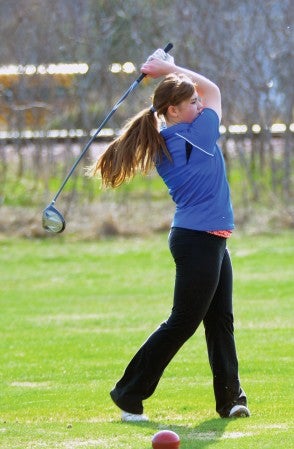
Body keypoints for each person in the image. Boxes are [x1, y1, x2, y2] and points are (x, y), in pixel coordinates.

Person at [89, 48, 250, 421]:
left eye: (196, 102)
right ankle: (128, 392)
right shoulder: (195, 137)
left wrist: (167, 73)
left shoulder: (171, 139)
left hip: (206, 238)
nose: (199, 104)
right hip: (199, 240)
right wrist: (169, 69)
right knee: (183, 322)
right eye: (191, 102)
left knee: (220, 319)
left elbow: (205, 93)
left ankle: (231, 399)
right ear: (173, 111)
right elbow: (214, 91)